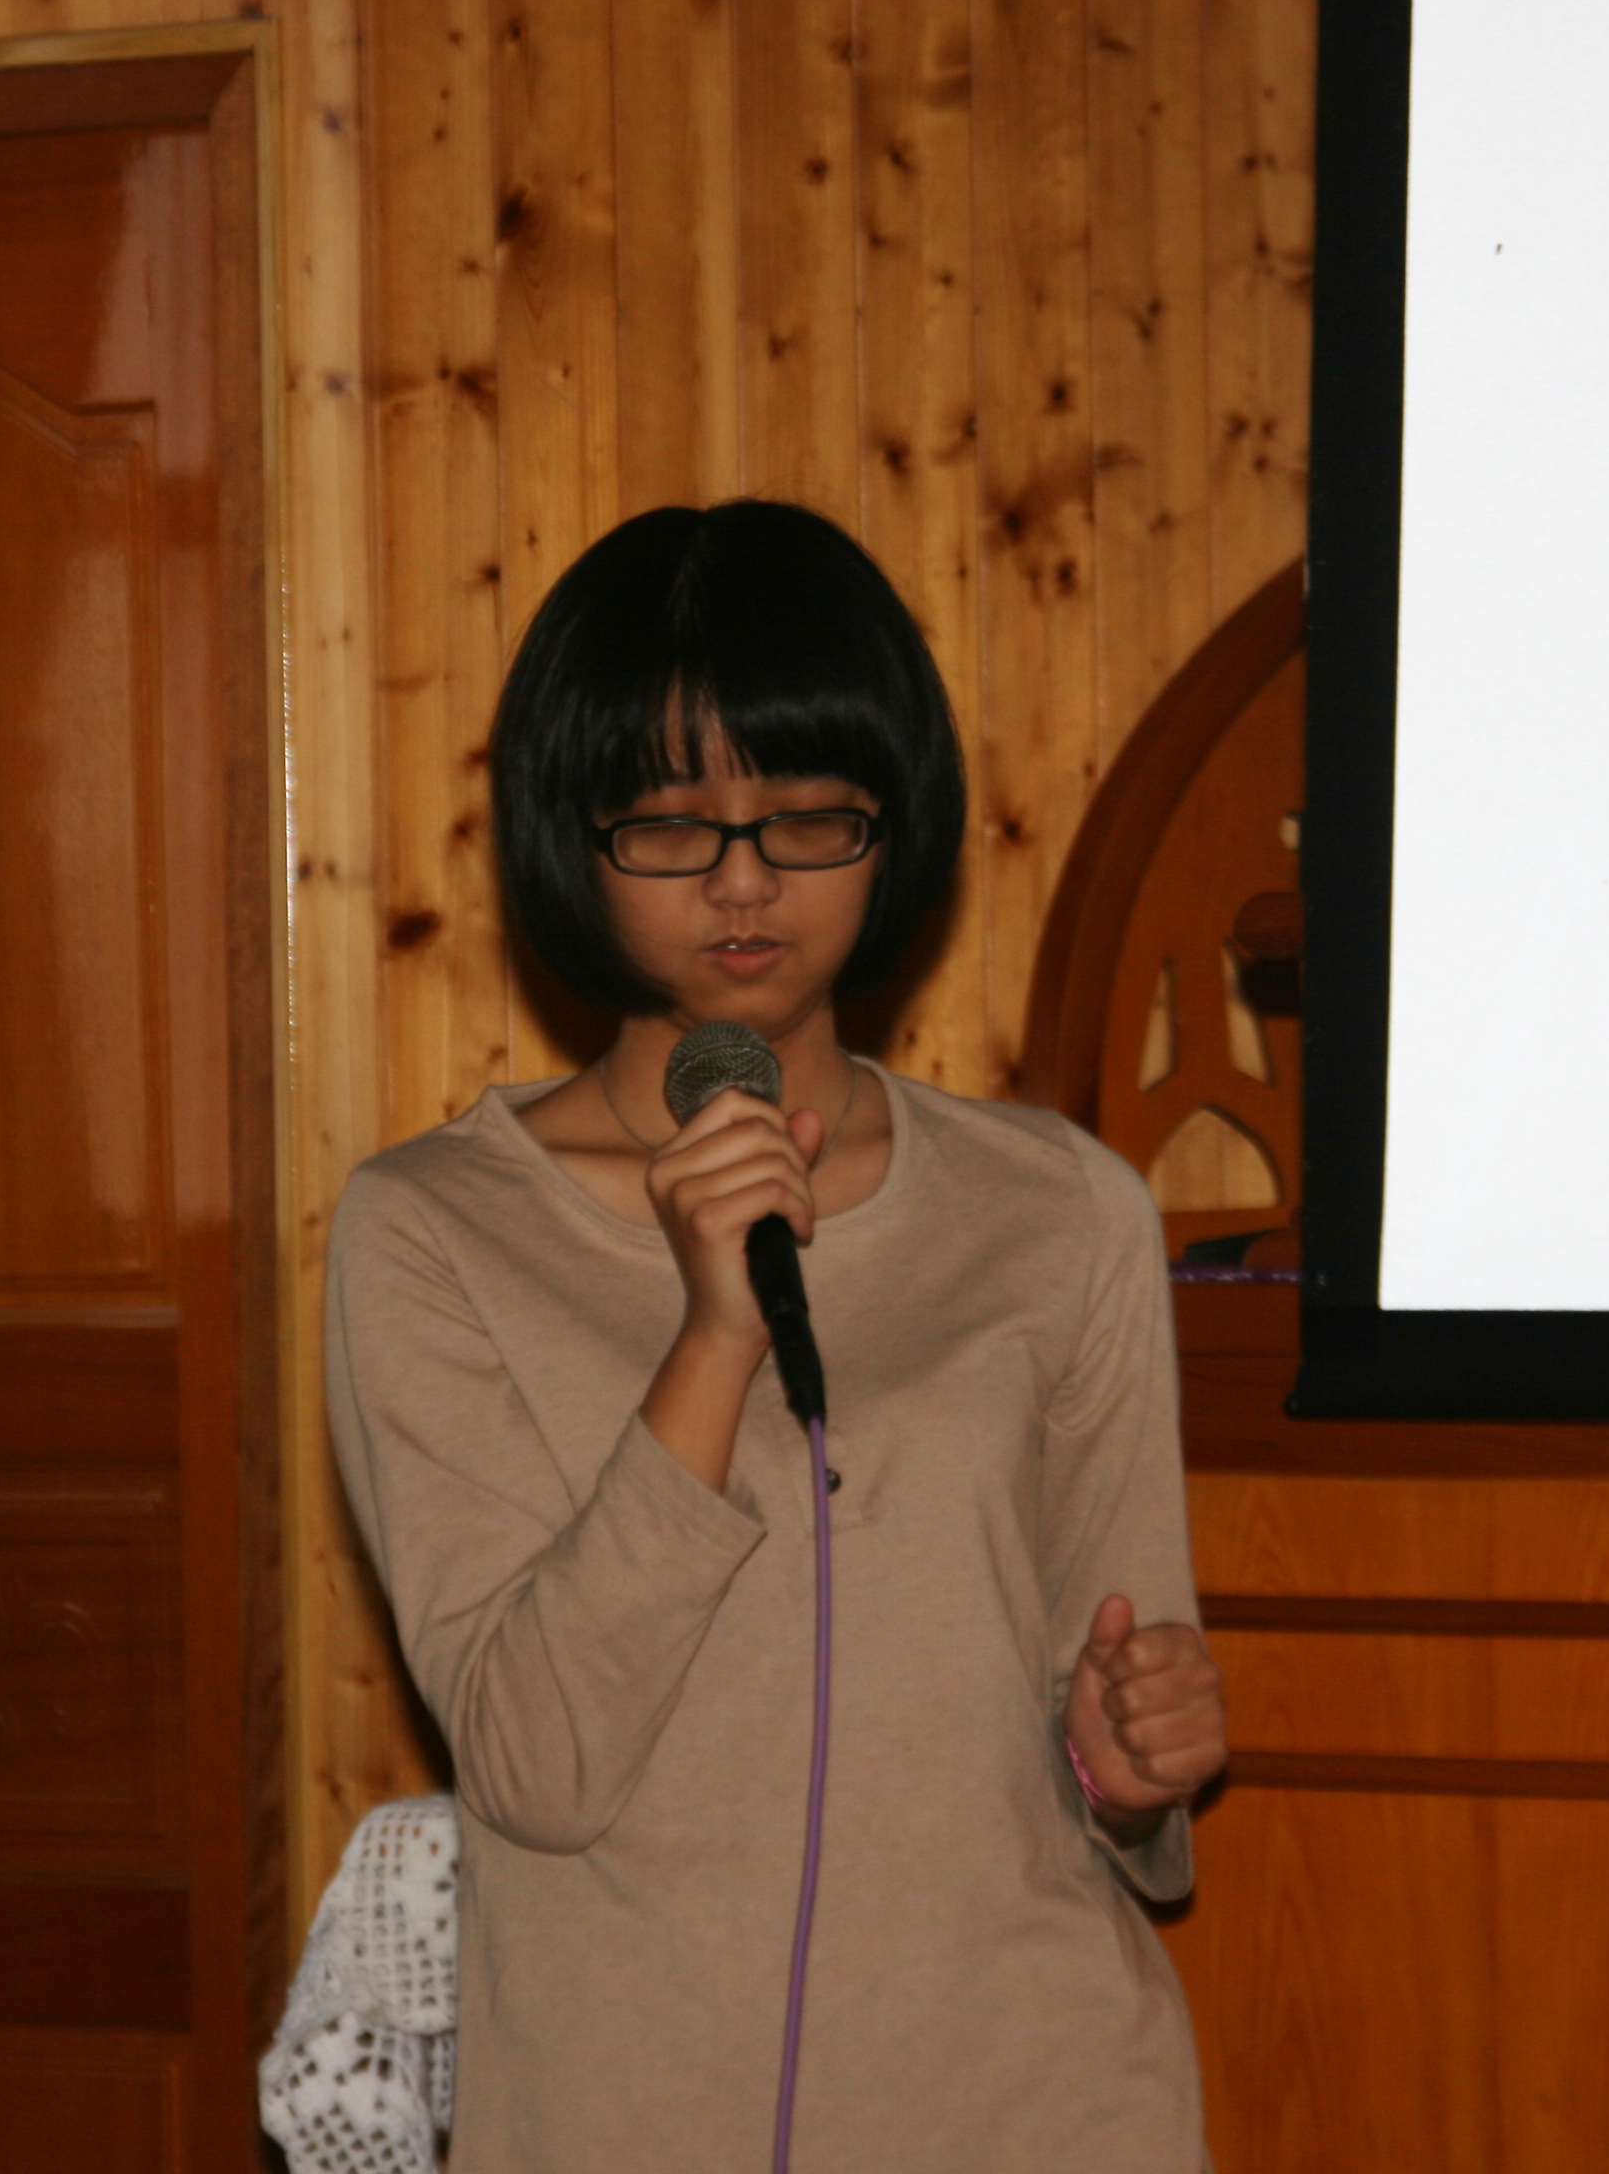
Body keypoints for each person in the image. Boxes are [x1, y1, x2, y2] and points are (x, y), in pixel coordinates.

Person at [323, 501, 1230, 2170]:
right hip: (624, 2116)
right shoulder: (434, 1232)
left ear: (893, 826)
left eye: (809, 817)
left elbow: (1111, 1699)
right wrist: (711, 1338)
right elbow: (535, 1766)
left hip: (1037, 2106)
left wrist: (1128, 1762)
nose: (744, 883)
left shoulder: (1059, 1211)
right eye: (672, 826)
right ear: (573, 840)